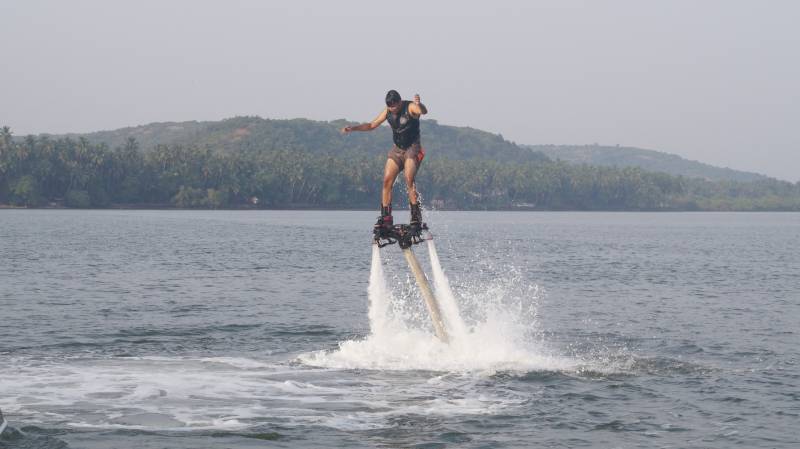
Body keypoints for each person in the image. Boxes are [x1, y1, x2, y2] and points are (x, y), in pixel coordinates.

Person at [340, 90, 428, 233]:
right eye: (389, 106)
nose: (392, 109)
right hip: (397, 149)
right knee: (387, 181)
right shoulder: (387, 111)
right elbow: (372, 125)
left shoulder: (410, 107)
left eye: (394, 106)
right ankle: (386, 217)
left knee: (409, 180)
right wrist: (353, 128)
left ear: (400, 102)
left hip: (413, 148)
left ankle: (415, 217)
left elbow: (422, 111)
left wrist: (420, 105)